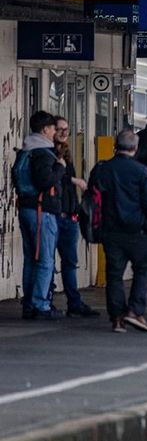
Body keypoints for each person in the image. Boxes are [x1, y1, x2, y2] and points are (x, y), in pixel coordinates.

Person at [89, 129, 147, 333]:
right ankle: (135, 311)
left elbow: (93, 198)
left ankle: (117, 317)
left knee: (114, 275)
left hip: (111, 230)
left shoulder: (103, 169)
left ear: (115, 147)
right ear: (135, 148)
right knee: (143, 270)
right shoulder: (141, 171)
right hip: (137, 230)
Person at [13, 110, 65, 320]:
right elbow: (46, 181)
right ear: (45, 130)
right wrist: (60, 169)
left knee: (30, 259)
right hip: (42, 211)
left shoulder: (26, 150)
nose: (55, 132)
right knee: (45, 260)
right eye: (53, 128)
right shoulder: (43, 153)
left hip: (26, 209)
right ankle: (41, 304)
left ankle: (29, 303)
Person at [48, 116, 99, 317]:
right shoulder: (48, 154)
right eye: (59, 129)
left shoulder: (66, 154)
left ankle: (74, 303)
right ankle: (47, 301)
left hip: (69, 216)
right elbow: (53, 178)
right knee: (48, 262)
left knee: (69, 262)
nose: (63, 133)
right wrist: (75, 180)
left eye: (66, 129)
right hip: (55, 215)